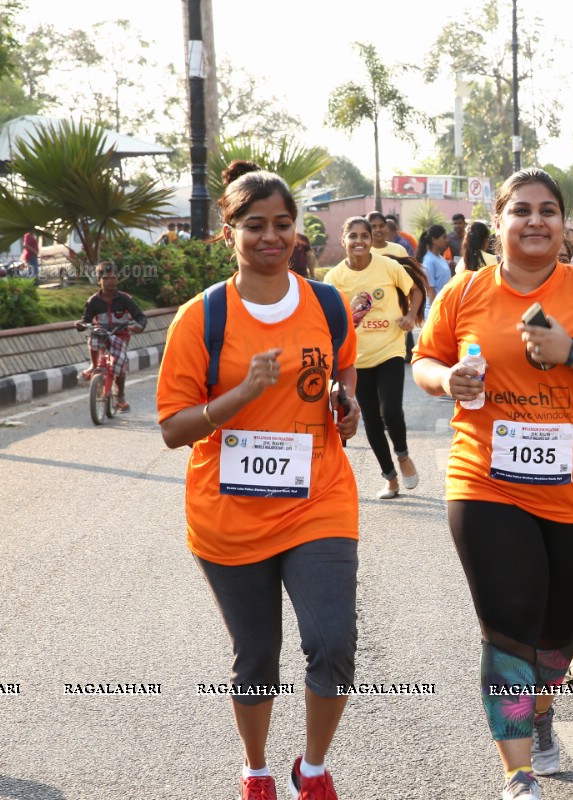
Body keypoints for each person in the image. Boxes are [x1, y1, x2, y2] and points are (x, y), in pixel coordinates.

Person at [411, 168, 573, 800]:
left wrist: (571, 352)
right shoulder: (463, 293)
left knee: (558, 633)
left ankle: (541, 705)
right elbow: (424, 359)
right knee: (509, 621)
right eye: (522, 211)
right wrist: (445, 378)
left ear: (564, 225)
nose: (535, 221)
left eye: (548, 211)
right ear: (500, 222)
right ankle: (517, 773)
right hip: (486, 480)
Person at [156, 160, 362, 800]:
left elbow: (343, 370)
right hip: (230, 513)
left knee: (333, 644)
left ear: (297, 229)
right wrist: (242, 393)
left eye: (282, 224)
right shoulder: (201, 318)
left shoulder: (326, 304)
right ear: (229, 233)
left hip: (318, 499)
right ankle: (256, 768)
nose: (270, 237)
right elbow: (173, 427)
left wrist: (344, 403)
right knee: (257, 658)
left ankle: (314, 766)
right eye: (254, 226)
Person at [324, 217, 422, 497]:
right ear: (343, 240)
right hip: (357, 358)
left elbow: (414, 289)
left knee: (390, 409)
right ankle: (390, 478)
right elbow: (330, 321)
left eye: (364, 236)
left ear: (371, 240)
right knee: (371, 421)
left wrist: (408, 316)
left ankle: (402, 456)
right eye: (352, 236)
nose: (359, 241)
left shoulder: (388, 266)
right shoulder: (333, 279)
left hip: (390, 349)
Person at [76, 262, 148, 413]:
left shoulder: (124, 299)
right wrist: (81, 324)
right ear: (99, 281)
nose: (111, 281)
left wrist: (139, 326)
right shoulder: (93, 301)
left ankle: (119, 396)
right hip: (101, 334)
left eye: (113, 278)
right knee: (93, 337)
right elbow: (87, 319)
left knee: (119, 365)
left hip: (120, 335)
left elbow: (140, 316)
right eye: (106, 278)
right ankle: (94, 366)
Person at [418, 224, 453, 304]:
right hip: (434, 309)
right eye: (444, 237)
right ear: (434, 240)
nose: (446, 240)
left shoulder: (441, 258)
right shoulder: (429, 261)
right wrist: (434, 313)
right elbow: (430, 291)